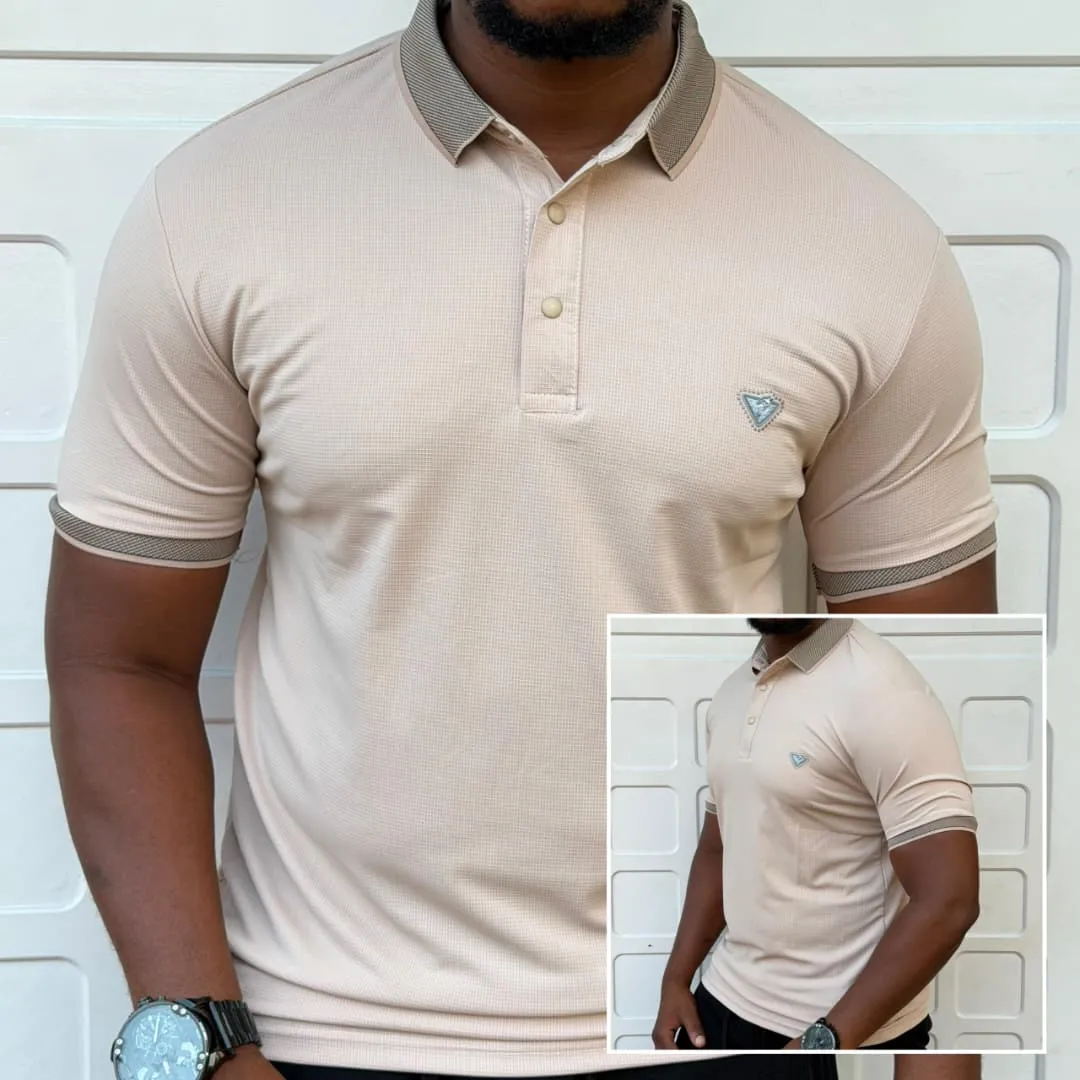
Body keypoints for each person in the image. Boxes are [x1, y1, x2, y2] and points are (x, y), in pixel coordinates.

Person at [43, 1, 993, 1079]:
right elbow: (119, 659)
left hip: (729, 1026)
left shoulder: (870, 246)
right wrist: (201, 1048)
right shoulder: (220, 203)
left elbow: (946, 719)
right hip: (320, 1029)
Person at [653, 618, 981, 1079]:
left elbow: (949, 901)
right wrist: (675, 978)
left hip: (836, 1027)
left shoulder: (887, 693)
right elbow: (718, 846)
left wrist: (819, 1044)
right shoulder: (733, 693)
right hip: (723, 1001)